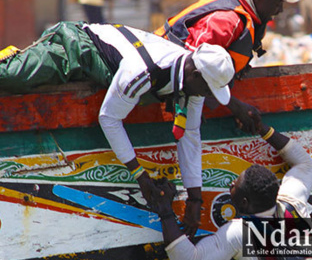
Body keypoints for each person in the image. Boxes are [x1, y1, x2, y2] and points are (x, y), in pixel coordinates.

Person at [0, 21, 235, 236]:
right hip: (80, 46)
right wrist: (140, 175)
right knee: (11, 75)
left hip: (119, 64)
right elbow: (109, 119)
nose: (208, 98)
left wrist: (195, 201)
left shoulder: (193, 80)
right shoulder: (143, 72)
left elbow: (191, 135)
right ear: (195, 75)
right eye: (208, 90)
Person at [151, 120, 312, 260]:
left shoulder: (239, 233)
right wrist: (262, 128)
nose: (229, 184)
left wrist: (164, 210)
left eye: (233, 184)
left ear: (243, 203)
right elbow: (304, 163)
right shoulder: (292, 201)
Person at [154, 0, 302, 134]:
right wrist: (236, 106)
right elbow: (194, 70)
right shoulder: (227, 21)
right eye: (278, 3)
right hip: (162, 78)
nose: (280, 10)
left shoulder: (250, 16)